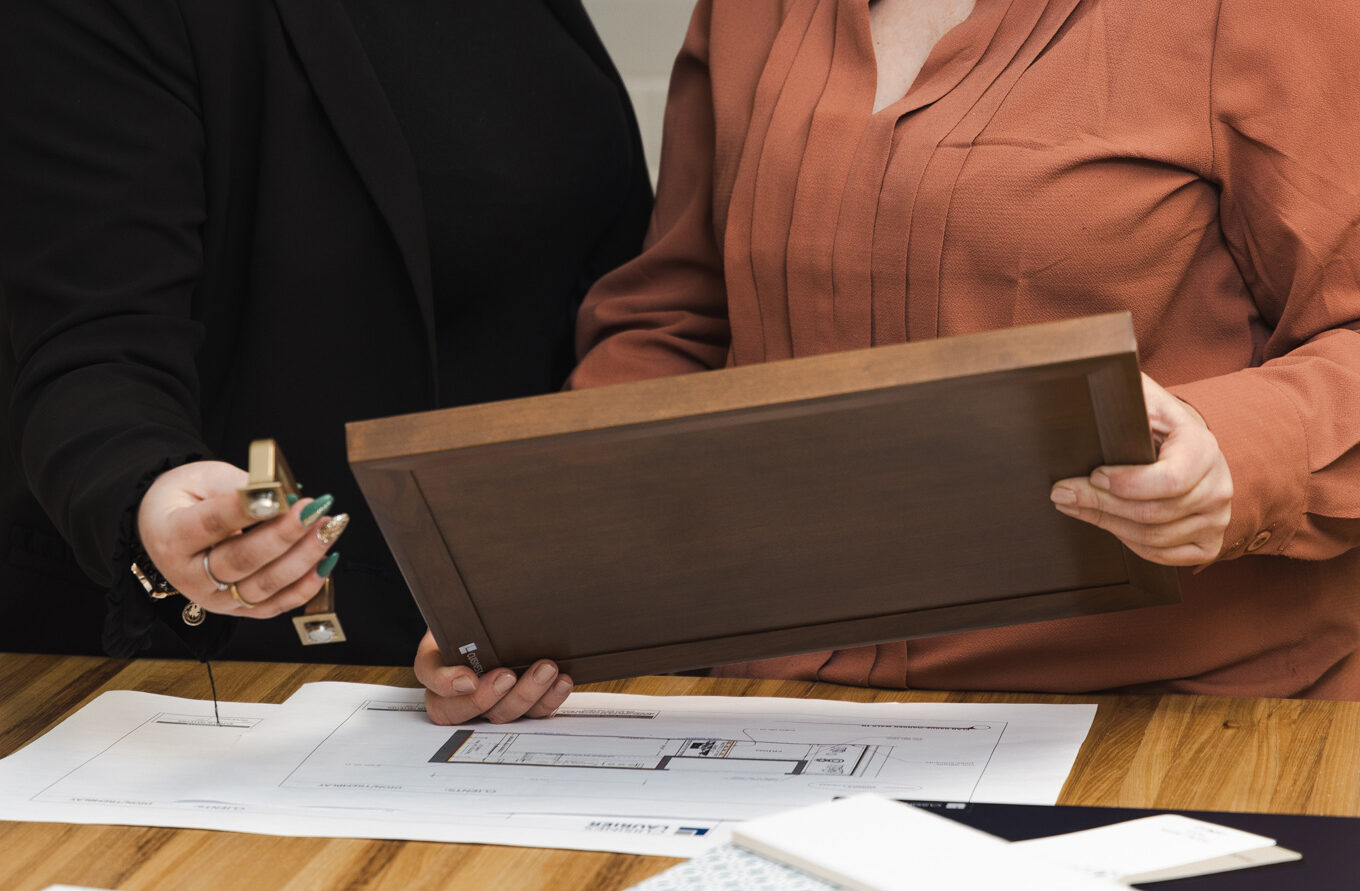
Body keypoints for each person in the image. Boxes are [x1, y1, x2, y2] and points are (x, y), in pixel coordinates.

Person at [420, 0, 1360, 720]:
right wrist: (530, 591)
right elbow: (681, 326)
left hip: (1174, 720)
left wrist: (1234, 453)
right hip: (776, 717)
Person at [0, 0, 651, 691]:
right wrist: (154, 494)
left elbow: (614, 297)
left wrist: (562, 557)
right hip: (214, 679)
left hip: (516, 668)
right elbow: (95, 342)